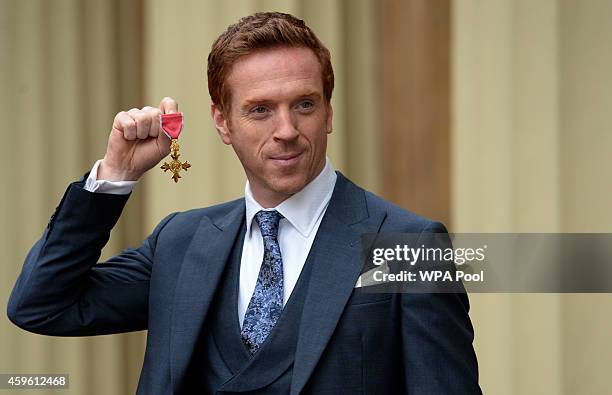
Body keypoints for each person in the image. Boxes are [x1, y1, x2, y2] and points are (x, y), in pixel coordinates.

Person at [7, 12, 481, 394]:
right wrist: (114, 177)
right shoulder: (180, 241)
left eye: (305, 104)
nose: (287, 131)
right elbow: (42, 306)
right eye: (260, 109)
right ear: (222, 121)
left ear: (329, 112)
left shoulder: (410, 246)